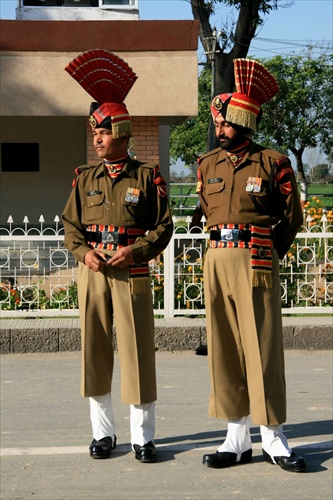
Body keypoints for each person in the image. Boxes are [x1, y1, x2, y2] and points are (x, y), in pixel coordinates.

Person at [62, 49, 173, 463]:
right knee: (94, 351)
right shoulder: (84, 177)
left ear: (122, 133)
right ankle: (103, 435)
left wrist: (136, 250)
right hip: (93, 272)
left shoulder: (147, 177)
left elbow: (164, 226)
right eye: (94, 132)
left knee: (138, 351)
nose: (97, 139)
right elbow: (70, 225)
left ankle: (143, 438)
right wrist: (84, 252)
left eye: (103, 132)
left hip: (132, 270)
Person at [196, 59, 306, 472]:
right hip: (217, 260)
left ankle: (274, 438)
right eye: (218, 124)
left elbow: (291, 217)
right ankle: (235, 439)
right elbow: (206, 211)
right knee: (224, 349)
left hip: (257, 260)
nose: (219, 130)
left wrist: (269, 249)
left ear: (243, 121)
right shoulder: (208, 164)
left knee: (262, 349)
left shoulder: (273, 163)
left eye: (224, 124)